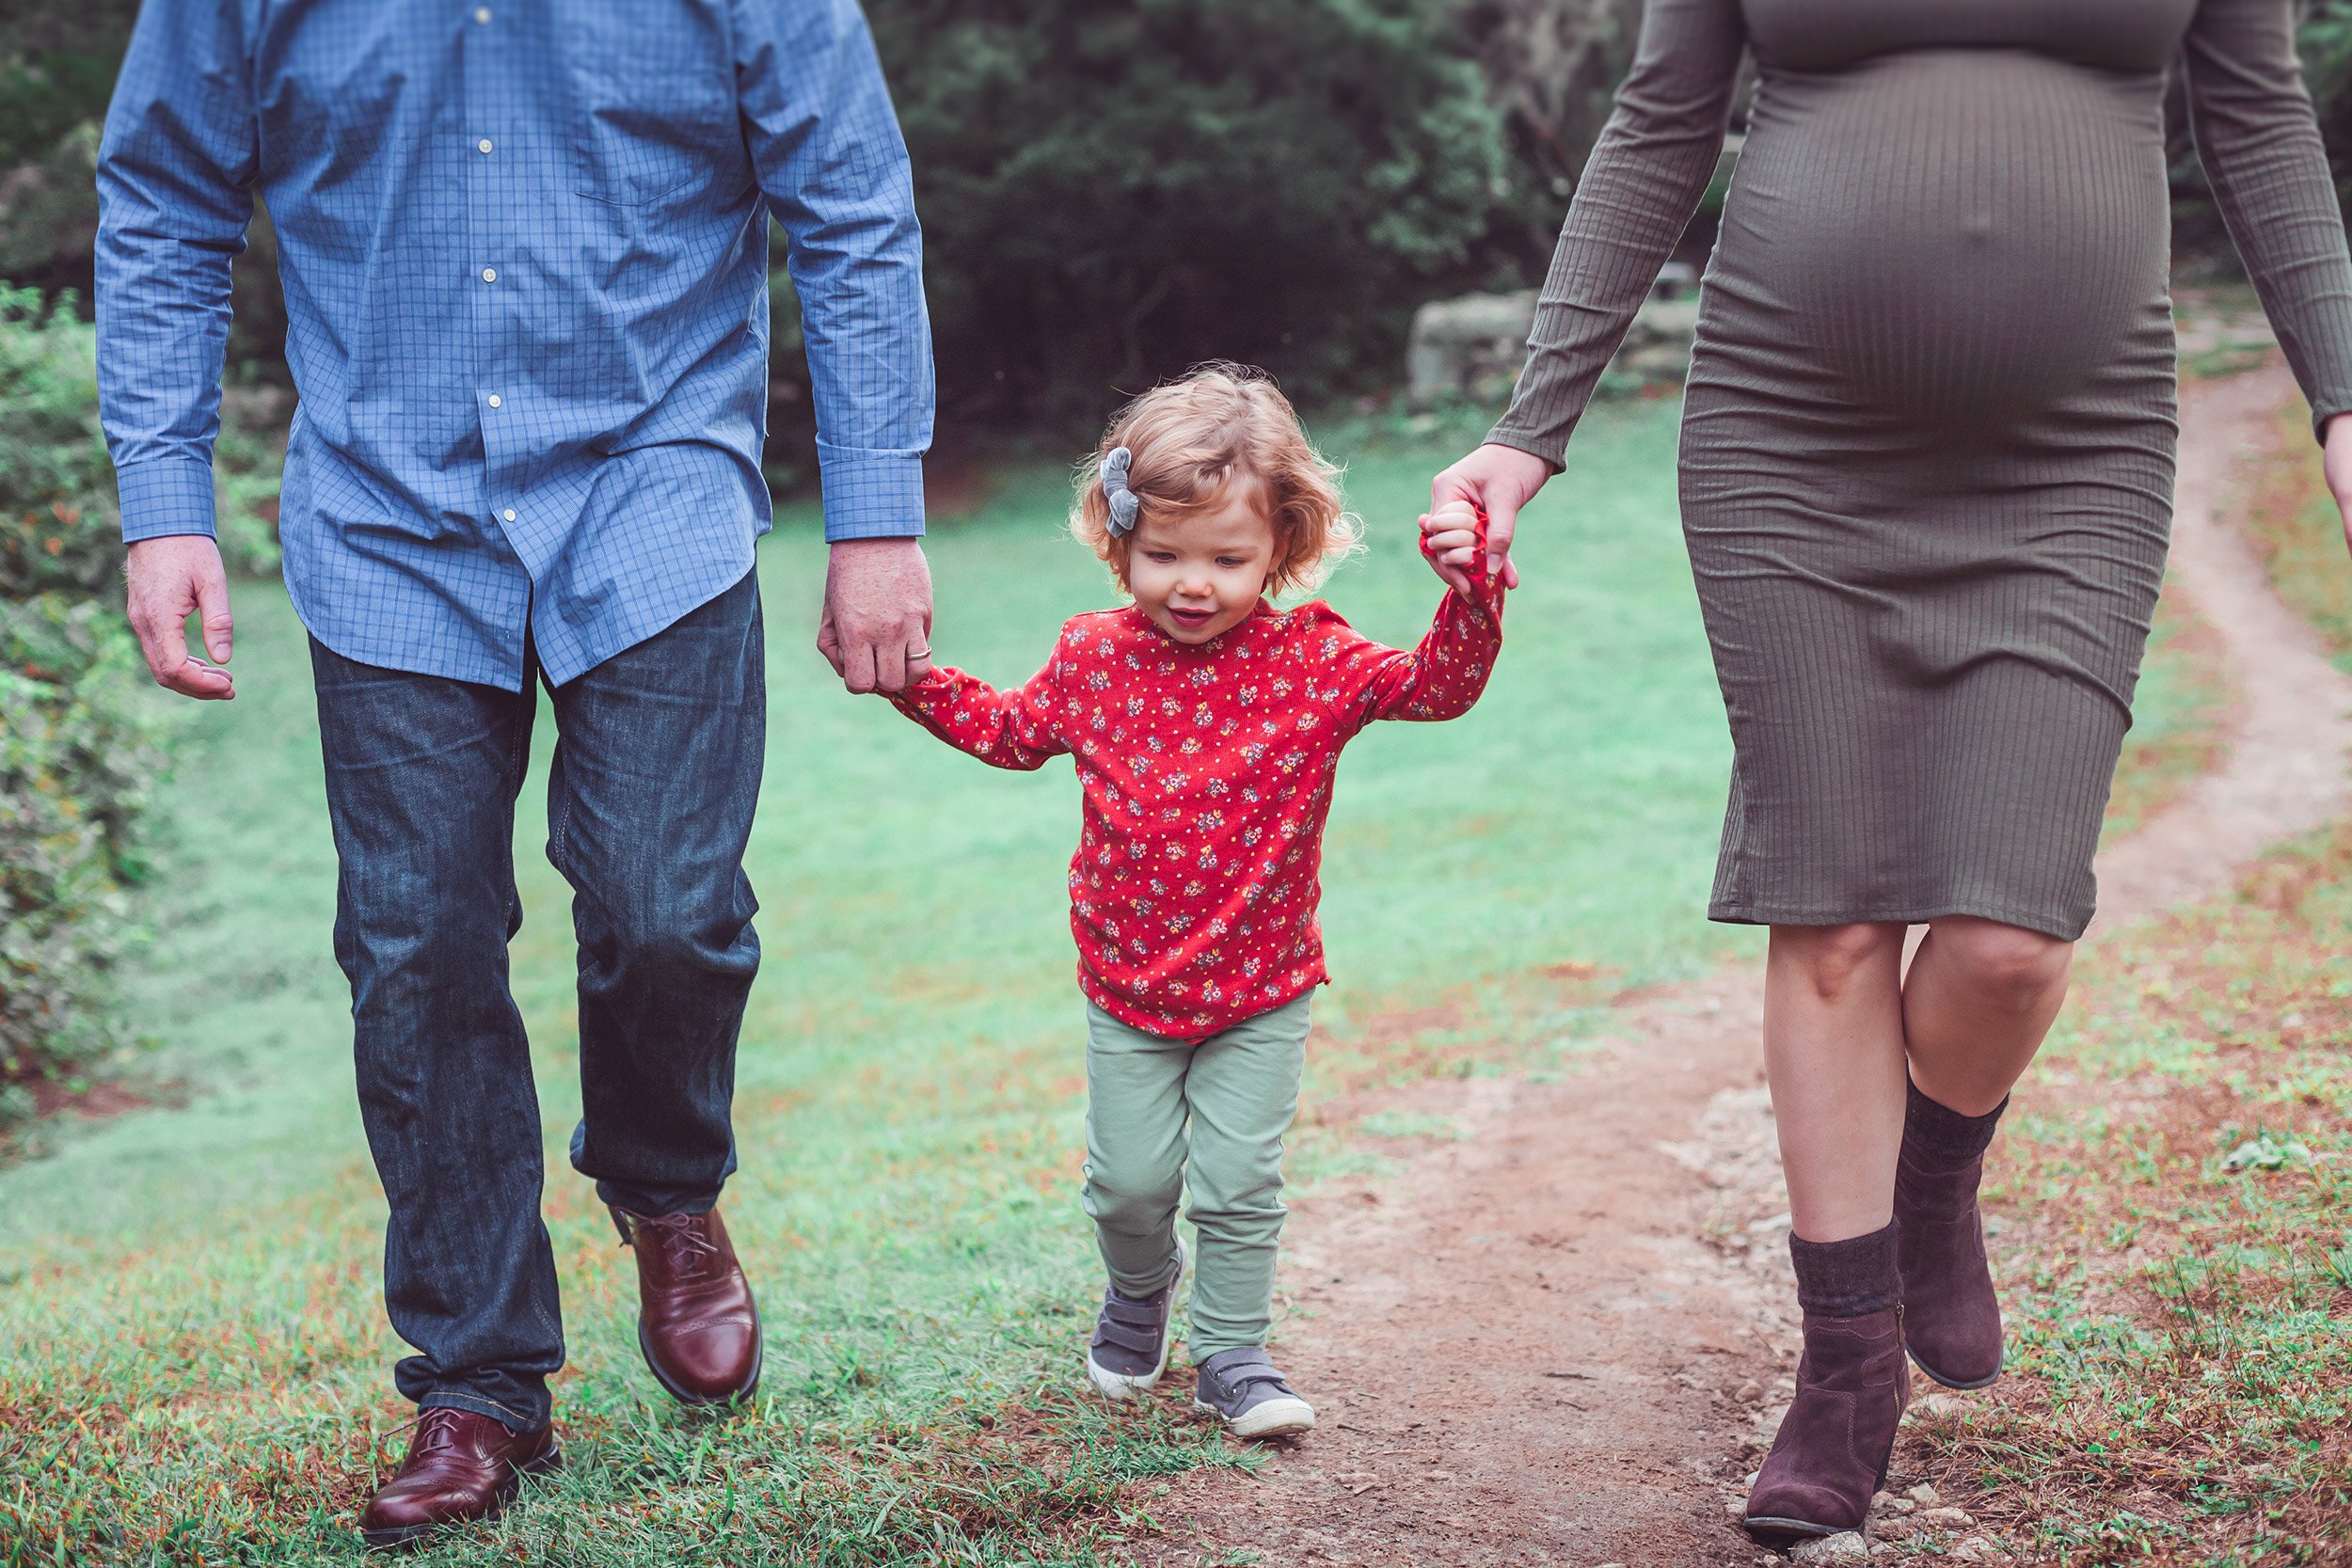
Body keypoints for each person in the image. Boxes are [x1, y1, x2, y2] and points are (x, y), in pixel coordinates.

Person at [1425, 0, 2352, 1544]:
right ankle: (1845, 1367)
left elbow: (2257, 118)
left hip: (2075, 448)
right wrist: (1530, 433)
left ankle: (1931, 1178)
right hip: (1791, 437)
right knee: (1838, 907)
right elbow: (1662, 120)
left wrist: (2342, 394)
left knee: (2011, 934)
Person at [94, 0, 935, 1549]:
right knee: (415, 949)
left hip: (657, 470)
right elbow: (165, 193)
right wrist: (166, 498)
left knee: (665, 899)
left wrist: (877, 514)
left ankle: (667, 1186)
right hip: (383, 499)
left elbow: (850, 188)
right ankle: (478, 1380)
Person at [884, 366, 1503, 1437]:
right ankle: (1139, 1288)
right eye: (1163, 554)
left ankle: (1232, 1350)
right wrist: (907, 674)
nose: (1192, 583)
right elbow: (1009, 733)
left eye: (1228, 557)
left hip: (1262, 986)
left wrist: (1470, 593)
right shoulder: (1092, 655)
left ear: (1282, 549)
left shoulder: (1312, 660)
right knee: (1128, 1186)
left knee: (1237, 1182)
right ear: (1119, 539)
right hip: (1127, 985)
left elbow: (1435, 689)